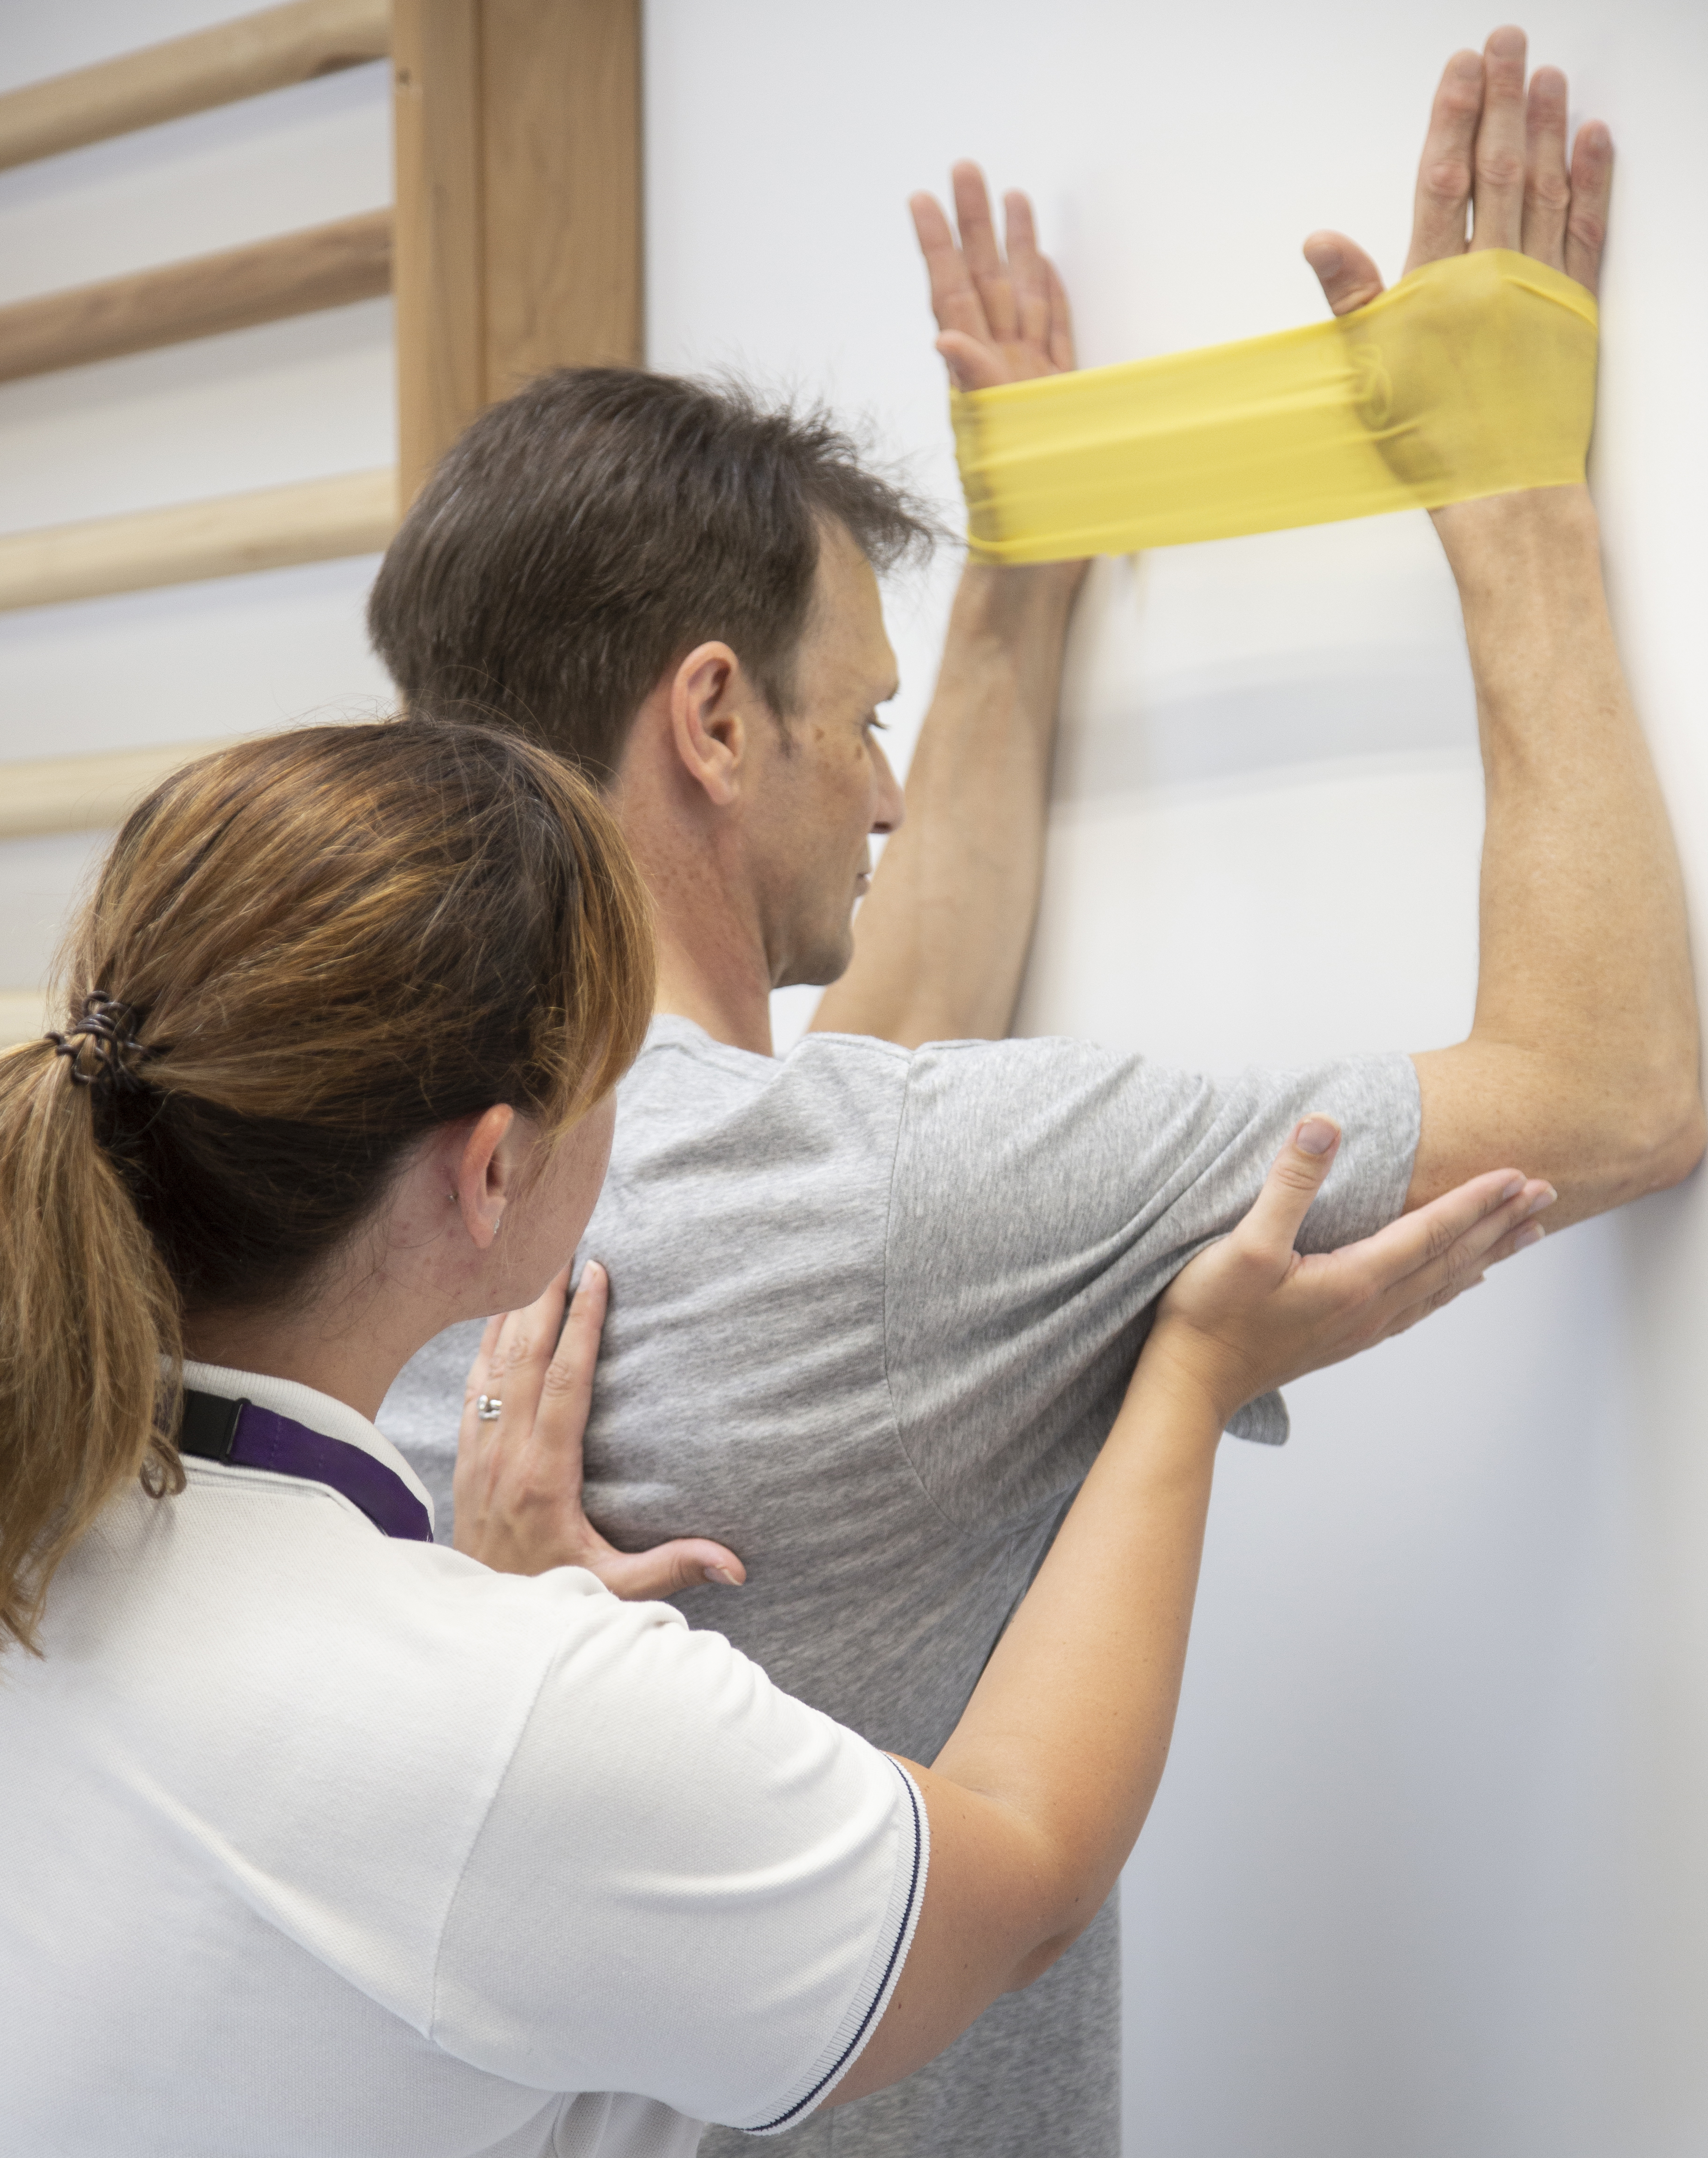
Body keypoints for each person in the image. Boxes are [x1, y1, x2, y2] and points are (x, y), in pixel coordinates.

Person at [371, 32, 1703, 2158]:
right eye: (855, 722)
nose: (891, 790)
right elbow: (1614, 1080)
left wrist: (1021, 573)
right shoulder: (875, 1202)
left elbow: (866, 1053)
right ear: (712, 722)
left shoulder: (407, 1154)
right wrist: (1520, 498)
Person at [0, 715, 1543, 2157]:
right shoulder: (490, 1723)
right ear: (489, 1176)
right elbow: (1019, 1882)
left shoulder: (56, 1534)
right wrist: (1191, 1383)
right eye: (629, 1067)